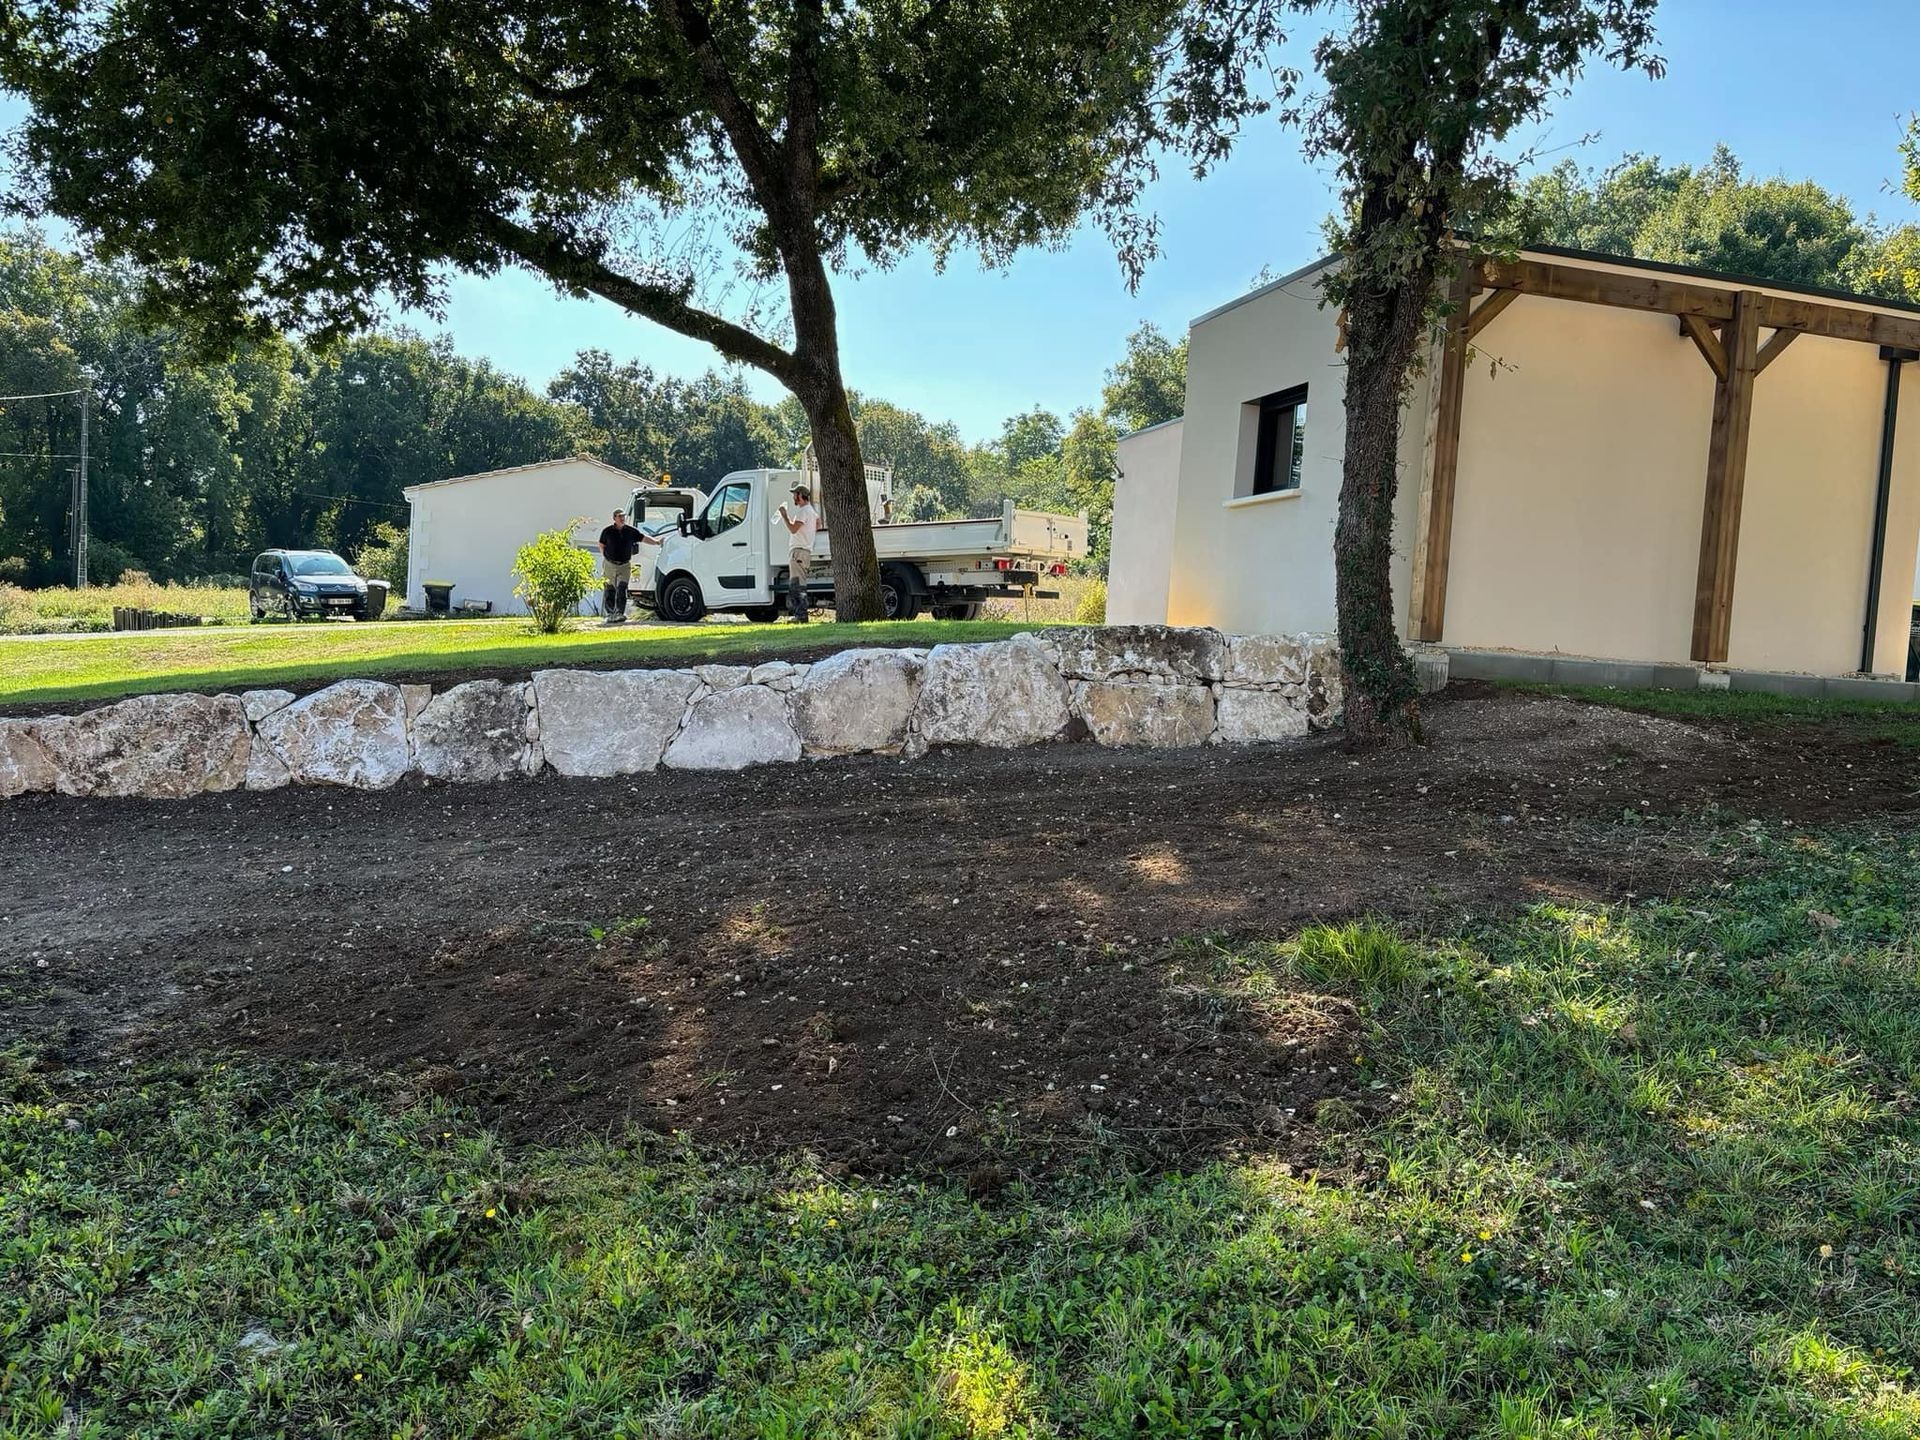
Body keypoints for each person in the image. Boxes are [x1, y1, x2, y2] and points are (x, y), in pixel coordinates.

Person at [596, 508, 658, 624]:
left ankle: (619, 613)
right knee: (610, 588)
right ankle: (610, 613)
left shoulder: (630, 531)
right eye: (619, 516)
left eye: (623, 516)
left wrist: (656, 542)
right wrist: (605, 556)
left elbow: (643, 538)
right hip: (610, 564)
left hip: (625, 565)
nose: (622, 518)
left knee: (622, 588)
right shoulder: (607, 531)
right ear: (614, 518)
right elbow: (601, 544)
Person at [776, 484, 824, 622]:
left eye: (795, 495)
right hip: (805, 552)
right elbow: (818, 524)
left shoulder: (803, 511)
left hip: (798, 552)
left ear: (800, 496)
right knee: (798, 584)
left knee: (797, 586)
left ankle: (801, 616)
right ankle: (800, 615)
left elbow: (793, 529)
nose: (793, 497)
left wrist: (784, 516)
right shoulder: (812, 511)